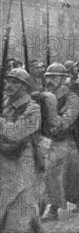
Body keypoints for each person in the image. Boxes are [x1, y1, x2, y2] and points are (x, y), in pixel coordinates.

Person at [40, 63, 79, 233]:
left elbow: (64, 123)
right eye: (48, 77)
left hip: (70, 143)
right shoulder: (44, 96)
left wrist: (49, 110)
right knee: (45, 181)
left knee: (77, 183)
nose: (49, 80)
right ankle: (47, 213)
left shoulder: (72, 98)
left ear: (63, 79)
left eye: (54, 77)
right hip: (48, 143)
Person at [1, 69, 45, 233]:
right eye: (9, 81)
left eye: (16, 82)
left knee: (19, 205)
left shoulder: (33, 108)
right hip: (5, 162)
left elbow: (16, 132)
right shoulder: (5, 103)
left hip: (24, 161)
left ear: (25, 87)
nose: (10, 85)